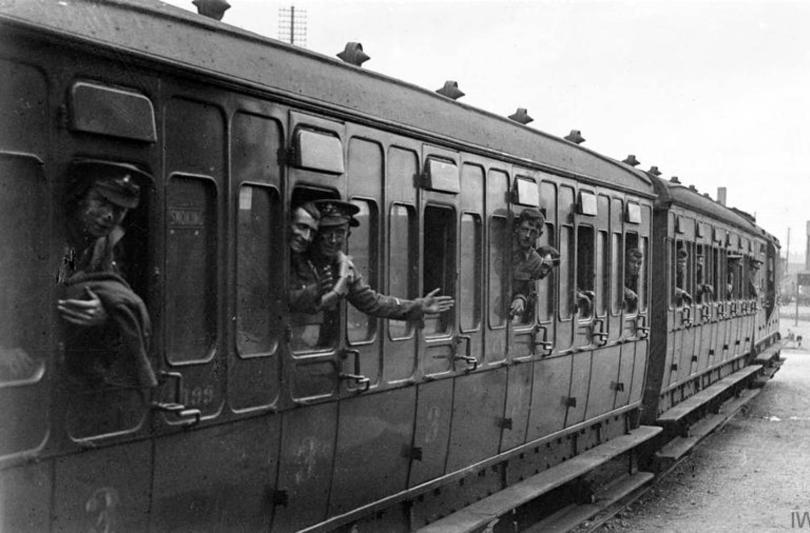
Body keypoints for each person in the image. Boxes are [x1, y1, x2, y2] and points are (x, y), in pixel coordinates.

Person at [291, 199, 454, 349]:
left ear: (347, 235)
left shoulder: (343, 270)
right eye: (327, 233)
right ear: (317, 234)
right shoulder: (293, 258)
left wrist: (418, 306)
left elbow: (373, 302)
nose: (333, 240)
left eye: (340, 233)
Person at [57, 159, 156, 389]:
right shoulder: (56, 238)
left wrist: (107, 313)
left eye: (120, 209)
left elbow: (115, 293)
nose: (110, 215)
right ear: (81, 197)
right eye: (102, 201)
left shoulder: (106, 246)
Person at [510, 208, 559, 323]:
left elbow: (527, 284)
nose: (527, 235)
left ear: (540, 234)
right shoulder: (502, 247)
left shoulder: (534, 260)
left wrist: (520, 298)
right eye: (524, 229)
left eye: (533, 232)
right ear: (517, 228)